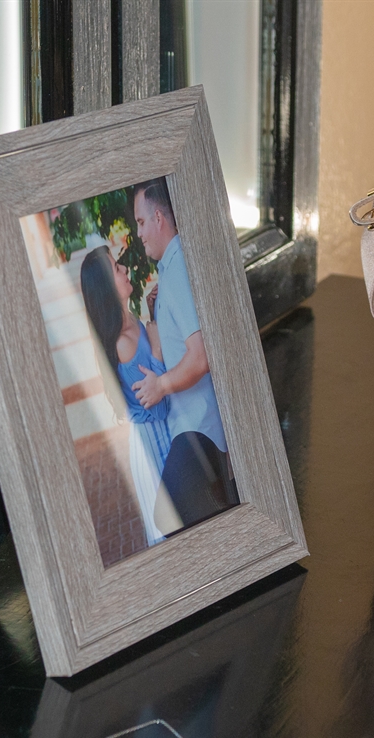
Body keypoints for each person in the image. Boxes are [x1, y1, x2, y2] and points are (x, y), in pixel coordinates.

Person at [130, 178, 237, 528]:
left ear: (159, 218)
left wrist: (160, 386)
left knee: (170, 520)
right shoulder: (173, 270)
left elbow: (200, 356)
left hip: (199, 427)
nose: (139, 233)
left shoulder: (177, 272)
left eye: (141, 222)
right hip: (196, 427)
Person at [79, 246, 179, 546]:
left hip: (164, 435)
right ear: (106, 288)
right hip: (154, 443)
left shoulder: (131, 320)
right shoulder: (122, 343)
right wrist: (156, 346)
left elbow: (154, 373)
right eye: (116, 269)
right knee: (173, 528)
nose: (124, 270)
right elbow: (156, 409)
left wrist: (152, 315)